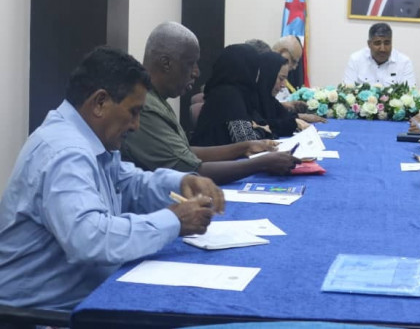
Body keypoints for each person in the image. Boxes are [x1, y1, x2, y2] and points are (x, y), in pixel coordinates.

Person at [0, 47, 224, 310]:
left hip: (77, 299)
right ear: (100, 103)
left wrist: (179, 183)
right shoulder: (66, 153)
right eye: (133, 112)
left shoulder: (89, 139)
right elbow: (90, 239)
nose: (136, 125)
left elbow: (129, 184)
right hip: (36, 315)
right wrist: (174, 220)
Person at [121, 23, 300, 185]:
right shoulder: (144, 107)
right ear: (166, 63)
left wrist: (245, 147)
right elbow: (191, 170)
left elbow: (185, 152)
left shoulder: (158, 100)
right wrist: (260, 163)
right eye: (191, 64)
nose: (196, 73)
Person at [343, 22, 416, 87]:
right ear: (369, 44)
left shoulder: (404, 62)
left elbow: (409, 93)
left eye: (387, 43)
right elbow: (347, 91)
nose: (382, 49)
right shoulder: (356, 60)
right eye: (377, 43)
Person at [257, 51, 308, 137]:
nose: (283, 85)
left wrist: (296, 120)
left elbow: (285, 116)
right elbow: (264, 125)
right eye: (281, 79)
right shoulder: (252, 98)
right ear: (268, 76)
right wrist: (294, 123)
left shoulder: (269, 99)